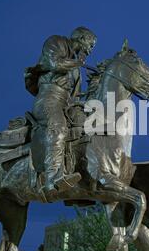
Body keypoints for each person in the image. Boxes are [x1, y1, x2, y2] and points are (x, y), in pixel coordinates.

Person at [25, 26, 97, 194]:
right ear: (79, 37)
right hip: (48, 97)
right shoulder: (56, 42)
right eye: (90, 43)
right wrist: (77, 62)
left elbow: (75, 97)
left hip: (66, 103)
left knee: (87, 129)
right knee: (58, 126)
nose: (91, 48)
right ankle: (52, 177)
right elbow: (54, 64)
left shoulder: (77, 71)